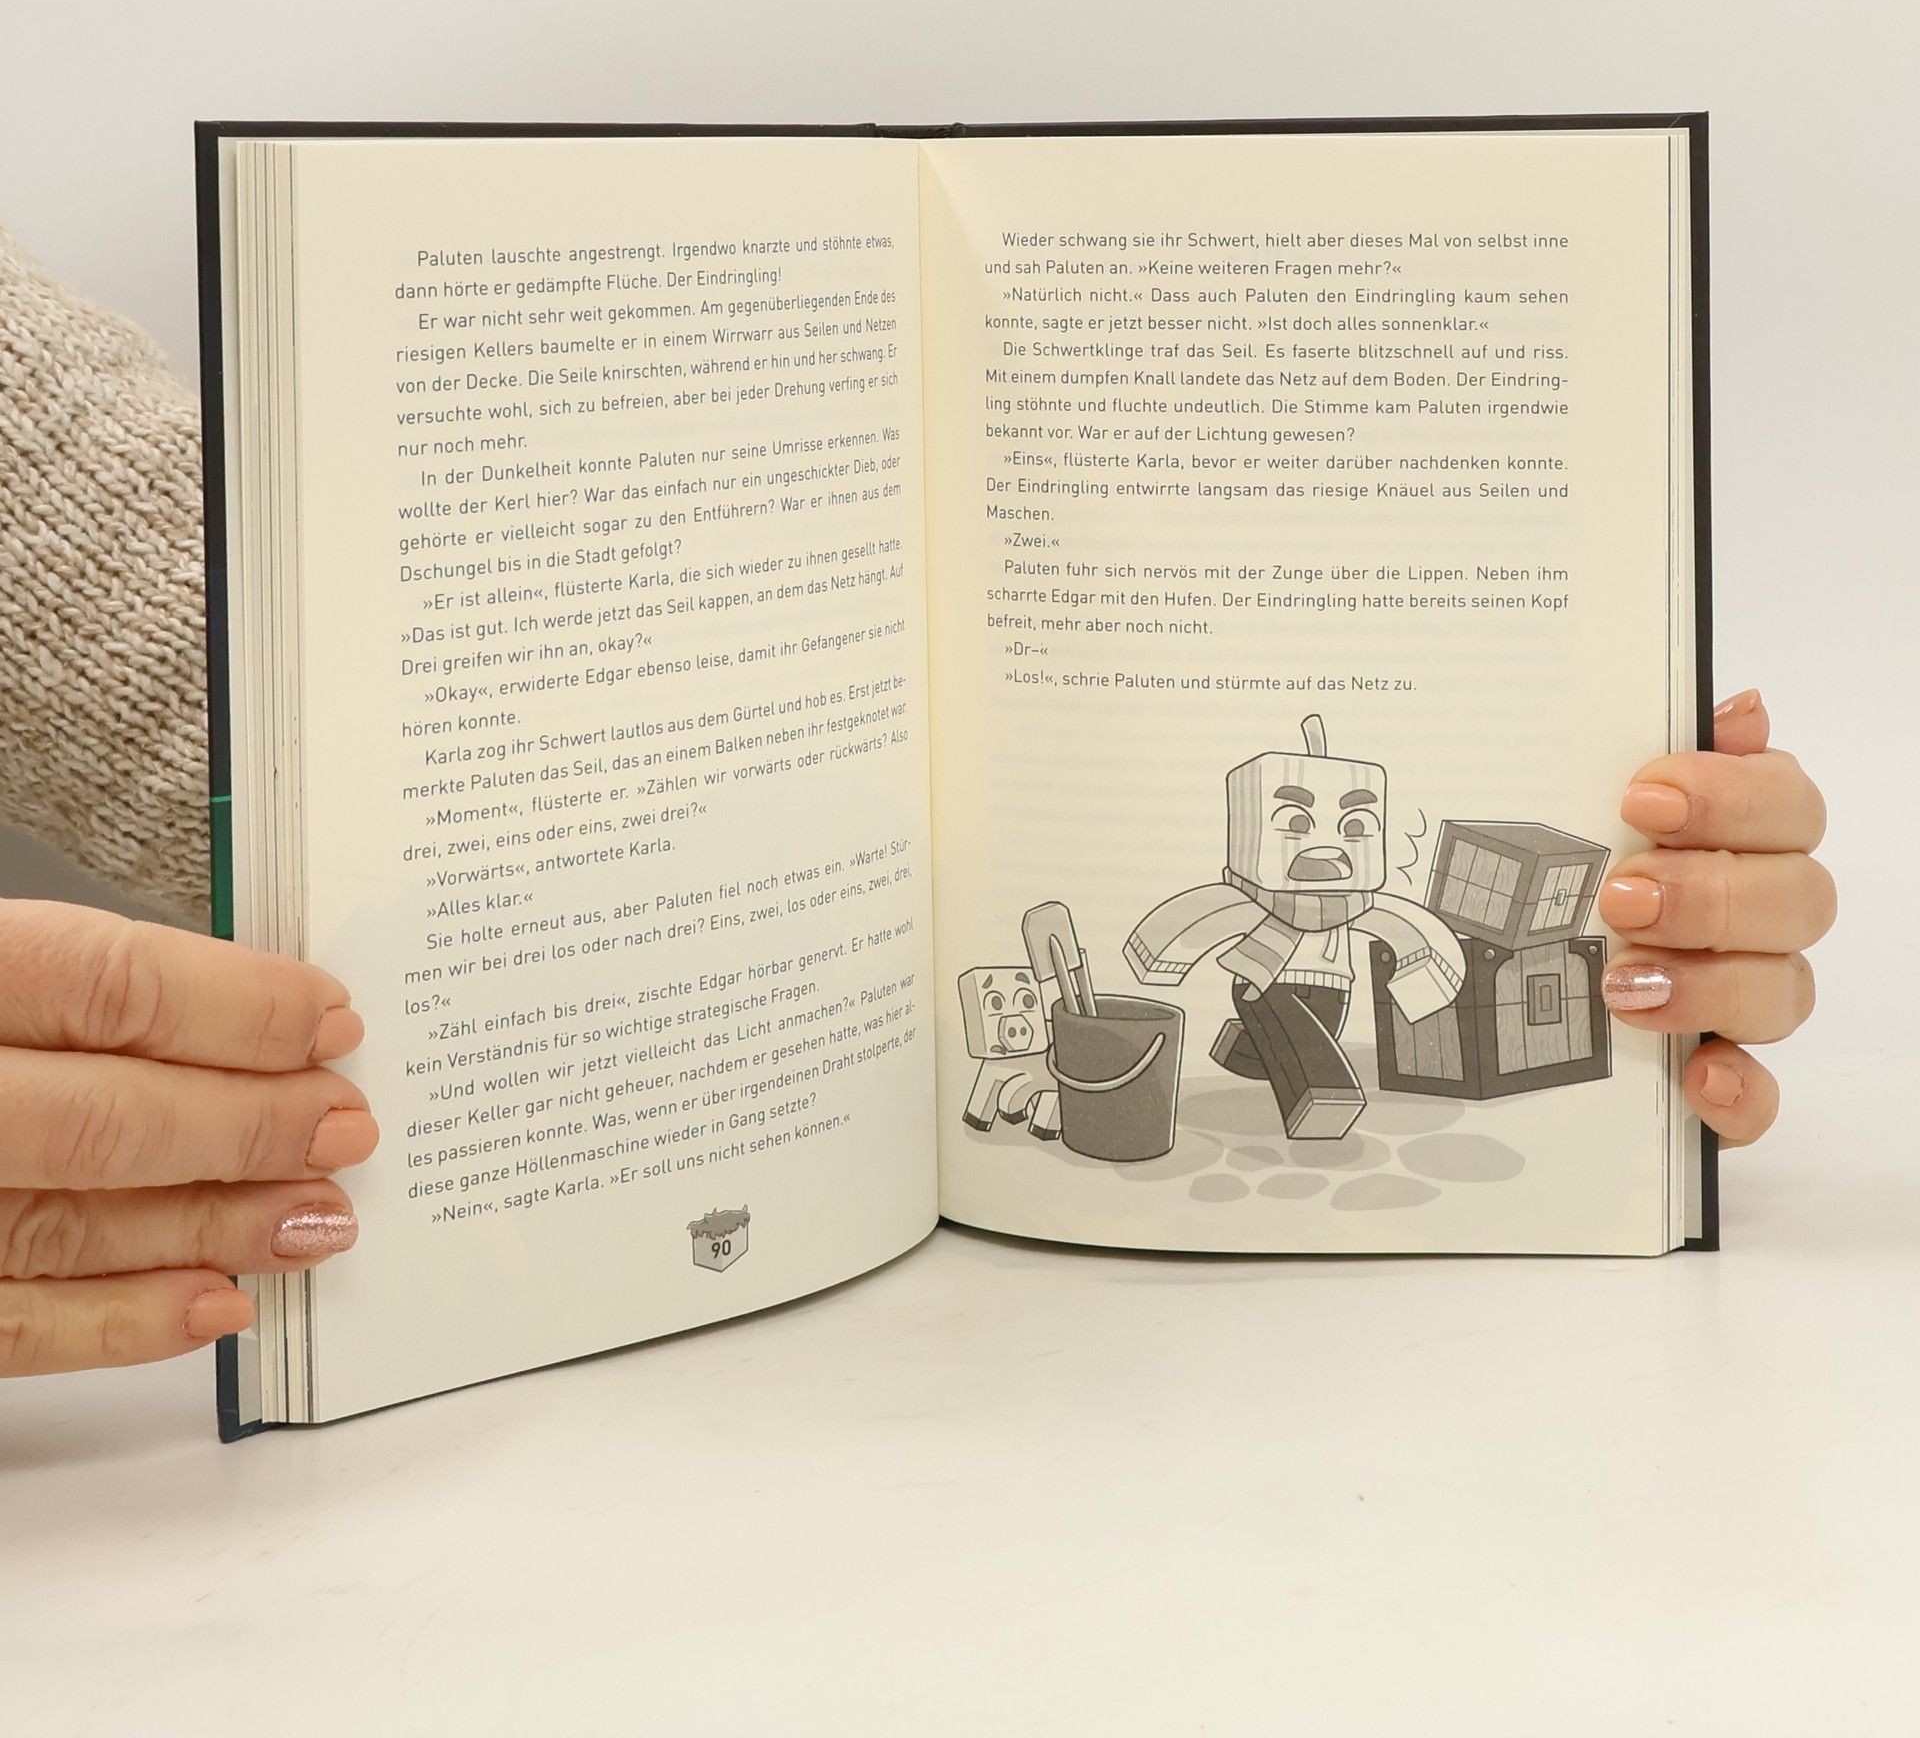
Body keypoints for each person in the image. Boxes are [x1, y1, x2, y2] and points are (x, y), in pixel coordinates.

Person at [0, 227, 1836, 1379]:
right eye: (1310, 821)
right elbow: (1189, 923)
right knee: (1266, 1012)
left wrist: (1603, 816)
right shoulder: (1244, 889)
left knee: (1341, 1013)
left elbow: (102, 567)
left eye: (1344, 823)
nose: (1330, 846)